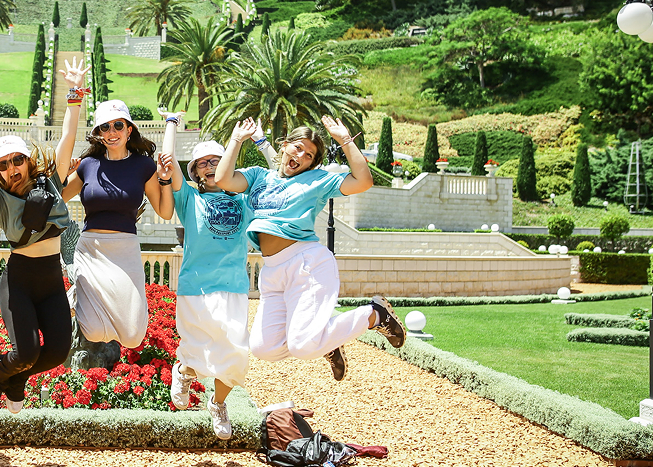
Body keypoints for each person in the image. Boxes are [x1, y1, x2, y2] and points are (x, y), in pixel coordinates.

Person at [213, 116, 407, 381]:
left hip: (306, 264)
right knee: (263, 348)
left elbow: (363, 181)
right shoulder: (260, 176)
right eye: (297, 147)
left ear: (312, 163)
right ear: (283, 145)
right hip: (272, 271)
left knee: (303, 345)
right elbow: (223, 179)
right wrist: (237, 140)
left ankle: (374, 314)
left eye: (309, 154)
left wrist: (346, 140)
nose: (301, 154)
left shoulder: (316, 181)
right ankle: (326, 340)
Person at [157, 113, 277, 439]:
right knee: (199, 348)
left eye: (216, 160)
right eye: (202, 163)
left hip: (235, 286)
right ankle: (183, 371)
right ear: (195, 171)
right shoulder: (189, 198)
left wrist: (261, 143)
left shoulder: (244, 199)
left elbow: (279, 178)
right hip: (195, 286)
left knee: (236, 355)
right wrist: (170, 123)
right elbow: (168, 164)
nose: (210, 166)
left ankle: (217, 402)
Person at [0, 107, 74, 416]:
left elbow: (67, 139)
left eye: (17, 160)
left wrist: (73, 99)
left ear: (28, 162)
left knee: (59, 352)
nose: (12, 168)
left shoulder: (50, 185)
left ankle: (14, 379)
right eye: (4, 165)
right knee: (26, 351)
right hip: (19, 282)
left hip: (51, 283)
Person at [56, 58, 175, 350]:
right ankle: (74, 297)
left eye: (118, 125)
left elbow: (165, 211)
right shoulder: (87, 164)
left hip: (125, 251)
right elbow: (55, 197)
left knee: (134, 337)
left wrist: (163, 180)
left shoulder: (143, 165)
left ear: (129, 128)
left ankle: (76, 297)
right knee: (94, 332)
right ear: (98, 132)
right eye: (105, 127)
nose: (111, 132)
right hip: (90, 249)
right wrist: (64, 170)